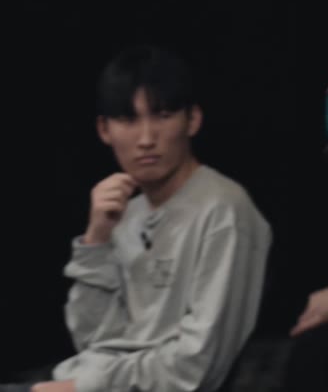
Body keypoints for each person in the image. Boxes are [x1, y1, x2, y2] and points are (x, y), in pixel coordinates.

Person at [1, 45, 272, 392]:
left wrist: (86, 386)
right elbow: (93, 342)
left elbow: (197, 365)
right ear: (104, 130)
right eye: (128, 120)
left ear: (192, 120)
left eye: (163, 116)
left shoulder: (225, 210)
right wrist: (96, 240)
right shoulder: (125, 214)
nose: (146, 139)